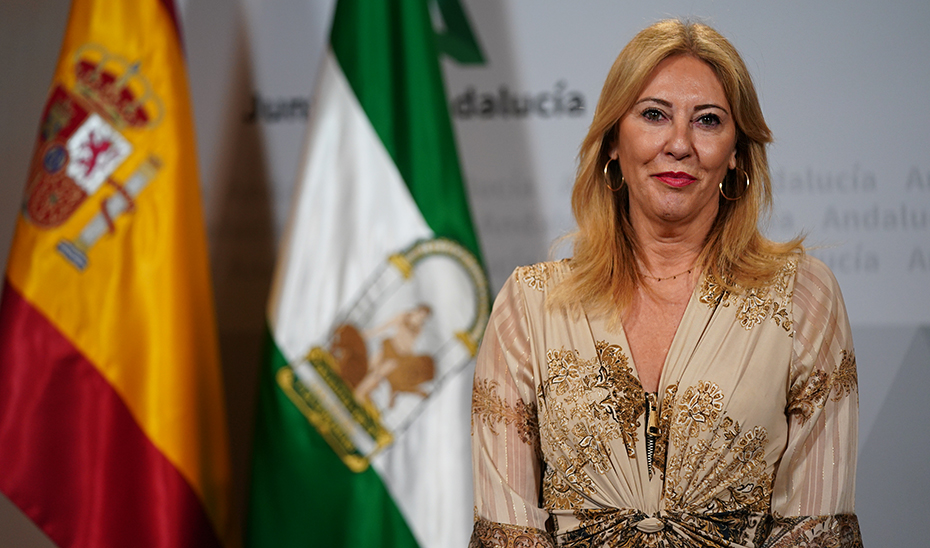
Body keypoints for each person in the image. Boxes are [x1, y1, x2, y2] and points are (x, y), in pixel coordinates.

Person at [469, 19, 862, 548]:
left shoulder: (802, 297)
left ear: (737, 152)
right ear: (613, 140)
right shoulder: (529, 306)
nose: (679, 144)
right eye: (654, 114)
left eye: (708, 121)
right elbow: (506, 532)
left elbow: (817, 533)